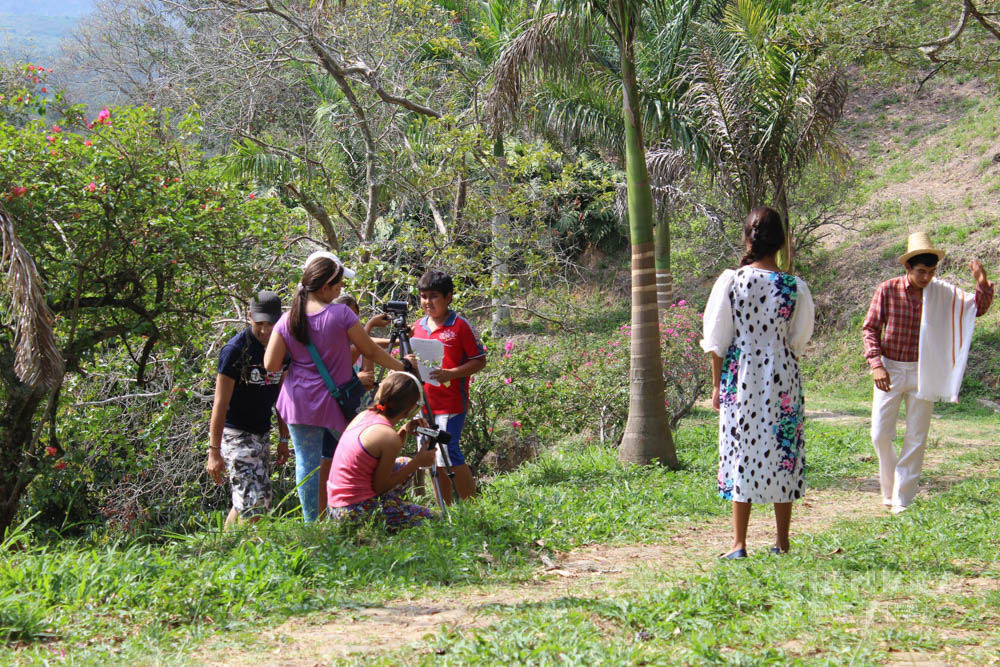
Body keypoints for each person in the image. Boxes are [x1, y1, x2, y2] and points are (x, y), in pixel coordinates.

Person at [264, 253, 416, 522]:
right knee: (349, 454)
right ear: (324, 287)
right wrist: (402, 365)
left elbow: (271, 365)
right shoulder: (340, 314)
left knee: (306, 464)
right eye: (338, 287)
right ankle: (353, 510)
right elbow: (369, 349)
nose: (340, 291)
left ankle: (314, 523)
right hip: (337, 401)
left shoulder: (288, 319)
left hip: (298, 403)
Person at [700, 207, 815, 559]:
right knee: (783, 451)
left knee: (740, 449)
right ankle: (782, 542)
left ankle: (739, 544)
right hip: (783, 373)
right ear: (780, 241)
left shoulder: (731, 282)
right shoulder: (795, 286)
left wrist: (718, 385)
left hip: (741, 373)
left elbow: (717, 339)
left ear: (748, 237)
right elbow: (799, 339)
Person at [862, 231, 993, 514]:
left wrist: (982, 283)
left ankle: (903, 499)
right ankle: (889, 489)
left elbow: (974, 310)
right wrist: (876, 364)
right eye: (921, 271)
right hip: (891, 368)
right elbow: (870, 328)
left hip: (925, 368)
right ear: (907, 267)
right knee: (880, 435)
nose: (926, 278)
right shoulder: (887, 289)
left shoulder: (940, 292)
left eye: (931, 272)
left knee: (917, 436)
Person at [206, 291, 290, 528]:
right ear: (249, 318)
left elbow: (281, 398)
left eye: (270, 324)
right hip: (236, 434)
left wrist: (283, 438)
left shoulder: (284, 349)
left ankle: (224, 549)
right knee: (255, 501)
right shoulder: (235, 350)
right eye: (259, 323)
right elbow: (220, 403)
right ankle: (255, 551)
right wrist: (214, 451)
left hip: (262, 432)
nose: (265, 330)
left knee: (248, 498)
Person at [411, 270, 486, 503]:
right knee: (430, 456)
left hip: (452, 403)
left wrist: (450, 374)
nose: (427, 302)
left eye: (434, 296)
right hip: (424, 404)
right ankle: (445, 507)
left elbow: (479, 360)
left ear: (448, 297)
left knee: (449, 453)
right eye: (423, 296)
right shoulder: (418, 326)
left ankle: (470, 504)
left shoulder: (460, 326)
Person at [327, 372, 436, 529]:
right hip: (354, 512)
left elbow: (376, 455)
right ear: (412, 409)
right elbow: (381, 486)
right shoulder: (388, 436)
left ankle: (392, 506)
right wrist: (419, 461)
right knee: (434, 520)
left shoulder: (365, 415)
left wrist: (404, 431)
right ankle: (386, 514)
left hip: (336, 506)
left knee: (404, 463)